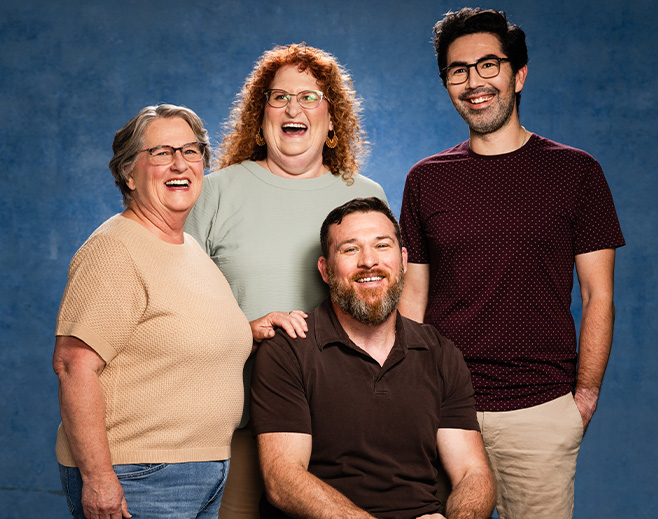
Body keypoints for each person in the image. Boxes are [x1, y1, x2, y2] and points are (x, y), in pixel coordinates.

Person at [398, 8, 625, 519]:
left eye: (488, 65)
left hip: (540, 411)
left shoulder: (576, 172)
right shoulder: (425, 179)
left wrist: (582, 399)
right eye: (458, 70)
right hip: (443, 410)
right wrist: (406, 399)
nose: (473, 81)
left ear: (518, 74)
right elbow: (413, 297)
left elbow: (598, 296)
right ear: (446, 83)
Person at [185, 44, 386, 519]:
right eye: (279, 98)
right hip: (235, 422)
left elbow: (382, 303)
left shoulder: (366, 196)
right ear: (261, 115)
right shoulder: (214, 192)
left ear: (333, 119)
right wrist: (246, 329)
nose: (293, 109)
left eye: (310, 97)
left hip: (342, 425)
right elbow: (180, 309)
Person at [53, 104, 253, 519]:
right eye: (161, 152)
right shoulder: (115, 249)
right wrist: (99, 478)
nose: (180, 163)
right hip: (139, 476)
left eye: (191, 151)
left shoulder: (189, 248)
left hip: (202, 470)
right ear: (129, 173)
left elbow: (173, 337)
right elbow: (74, 365)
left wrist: (253, 329)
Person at [250, 197, 495, 519]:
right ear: (325, 269)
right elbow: (283, 480)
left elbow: (471, 473)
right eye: (350, 249)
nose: (369, 261)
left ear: (403, 260)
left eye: (382, 246)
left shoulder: (439, 352)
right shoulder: (289, 349)